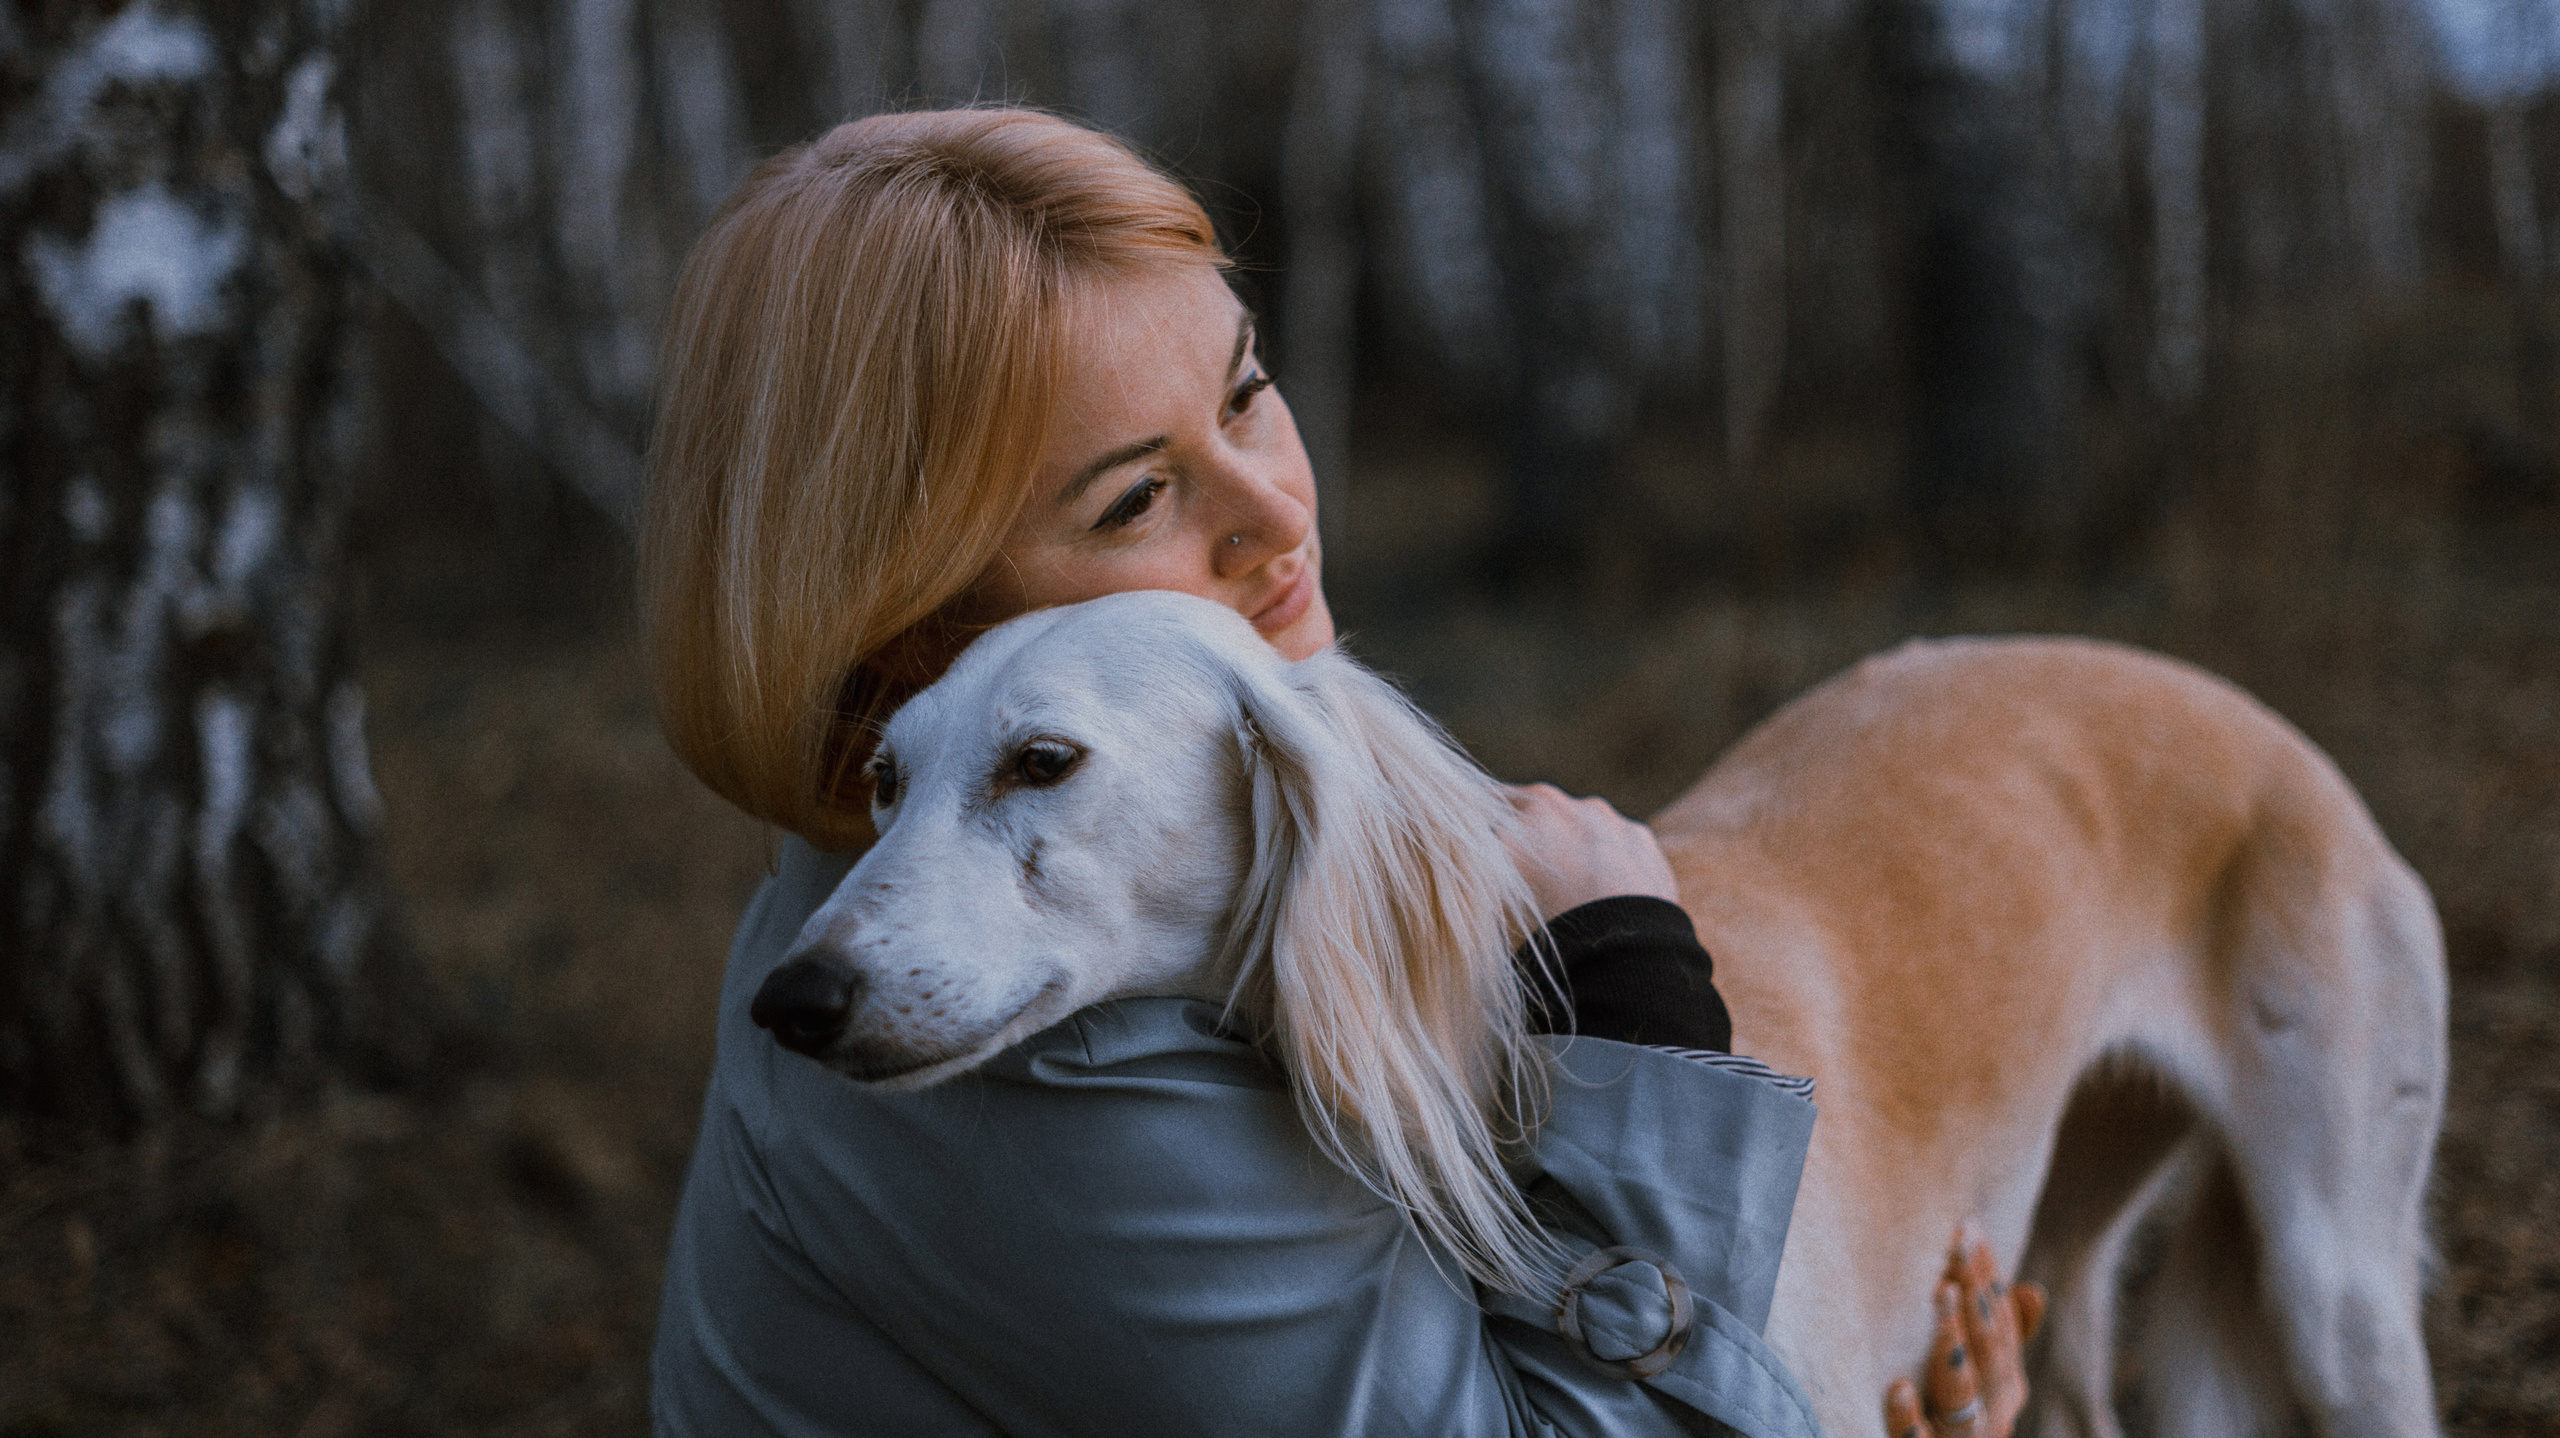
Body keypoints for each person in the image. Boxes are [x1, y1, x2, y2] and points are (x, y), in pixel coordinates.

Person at [641, 107, 2041, 1438]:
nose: (1276, 512)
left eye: (1245, 394)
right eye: (1135, 497)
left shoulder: (1041, 880)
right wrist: (1633, 997)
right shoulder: (1031, 1066)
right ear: (908, 619)